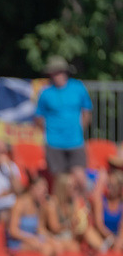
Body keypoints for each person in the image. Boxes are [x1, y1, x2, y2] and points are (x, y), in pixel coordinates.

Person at [35, 56, 92, 188]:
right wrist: (50, 132)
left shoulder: (78, 88)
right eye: (53, 72)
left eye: (59, 71)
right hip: (54, 143)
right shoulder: (45, 93)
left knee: (80, 178)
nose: (57, 75)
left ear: (66, 72)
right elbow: (39, 117)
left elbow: (86, 112)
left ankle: (85, 205)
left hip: (75, 141)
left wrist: (78, 129)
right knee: (60, 183)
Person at [43, 173, 104, 252]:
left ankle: (104, 250)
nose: (74, 189)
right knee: (73, 247)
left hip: (70, 234)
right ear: (63, 187)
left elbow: (76, 219)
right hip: (57, 236)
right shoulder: (52, 204)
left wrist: (81, 218)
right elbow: (54, 228)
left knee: (87, 231)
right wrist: (70, 224)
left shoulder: (74, 202)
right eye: (71, 186)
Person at [7, 174, 55, 255]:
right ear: (32, 189)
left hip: (33, 239)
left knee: (56, 246)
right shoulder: (19, 204)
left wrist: (49, 237)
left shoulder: (38, 205)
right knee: (46, 249)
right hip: (18, 242)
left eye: (45, 191)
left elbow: (40, 229)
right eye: (41, 190)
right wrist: (30, 238)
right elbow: (13, 231)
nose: (43, 193)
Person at [93, 162, 123, 252]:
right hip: (103, 237)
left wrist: (119, 241)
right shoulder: (101, 202)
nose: (109, 189)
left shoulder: (121, 205)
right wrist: (111, 238)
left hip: (117, 238)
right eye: (108, 185)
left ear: (120, 188)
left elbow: (122, 229)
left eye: (112, 186)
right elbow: (100, 225)